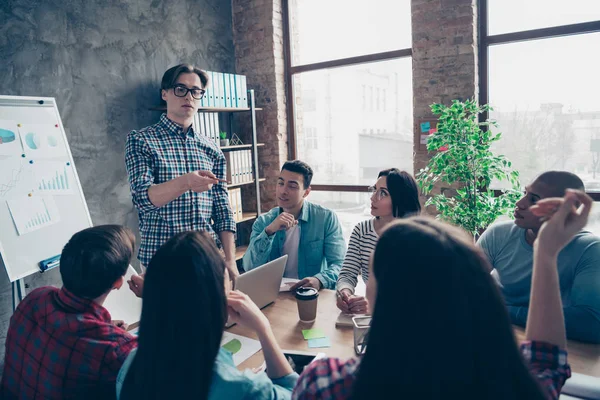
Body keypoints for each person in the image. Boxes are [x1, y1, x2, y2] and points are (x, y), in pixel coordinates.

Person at [293, 190, 590, 399]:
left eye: (372, 276)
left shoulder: (327, 384)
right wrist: (546, 251)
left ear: (386, 299)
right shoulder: (518, 387)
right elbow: (547, 359)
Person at [117, 231, 298, 400]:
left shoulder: (130, 364)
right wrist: (263, 328)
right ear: (219, 295)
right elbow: (298, 393)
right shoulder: (240, 387)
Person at [0, 225, 138, 400]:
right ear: (118, 282)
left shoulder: (35, 298)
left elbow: (63, 336)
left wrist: (105, 331)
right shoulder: (118, 351)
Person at [125, 63, 237, 277]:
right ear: (165, 94)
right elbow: (142, 199)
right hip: (163, 261)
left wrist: (230, 260)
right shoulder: (141, 140)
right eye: (180, 89)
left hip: (208, 257)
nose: (188, 97)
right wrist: (186, 182)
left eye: (195, 91)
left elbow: (222, 208)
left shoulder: (212, 148)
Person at [478, 171, 600, 343]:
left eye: (534, 199)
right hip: (496, 332)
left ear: (567, 209)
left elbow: (592, 324)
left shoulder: (590, 248)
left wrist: (503, 310)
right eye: (525, 194)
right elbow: (464, 288)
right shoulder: (498, 234)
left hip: (552, 342)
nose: (519, 203)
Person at [242, 160, 345, 290]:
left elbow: (340, 264)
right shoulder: (264, 222)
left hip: (312, 293)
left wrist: (319, 280)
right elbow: (249, 267)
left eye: (292, 186)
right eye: (280, 183)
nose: (283, 191)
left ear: (306, 192)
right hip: (275, 294)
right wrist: (269, 231)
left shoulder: (325, 218)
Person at [336, 168, 421, 314]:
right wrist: (345, 293)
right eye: (374, 190)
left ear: (400, 199)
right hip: (372, 315)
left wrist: (372, 303)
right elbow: (347, 274)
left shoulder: (416, 237)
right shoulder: (362, 231)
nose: (373, 197)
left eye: (383, 193)